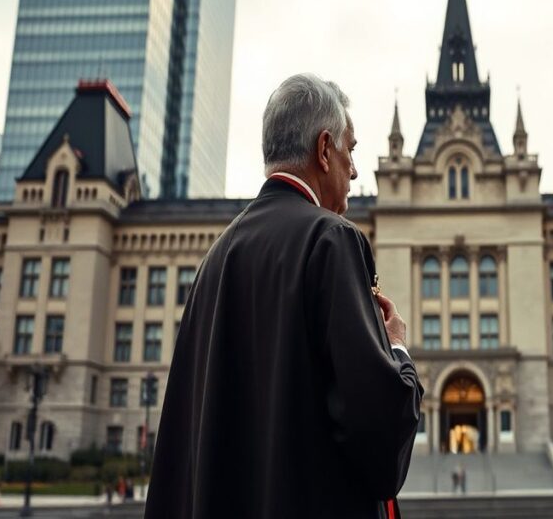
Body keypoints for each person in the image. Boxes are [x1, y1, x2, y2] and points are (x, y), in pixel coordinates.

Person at [145, 74, 423, 519]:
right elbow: (381, 440)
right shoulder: (332, 240)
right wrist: (396, 348)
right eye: (350, 151)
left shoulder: (213, 260)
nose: (353, 170)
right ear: (324, 148)